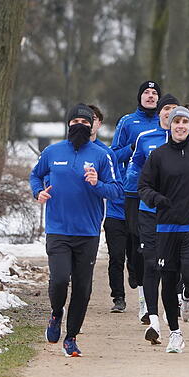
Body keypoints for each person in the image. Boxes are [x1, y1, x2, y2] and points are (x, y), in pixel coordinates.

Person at [30, 104, 123, 357]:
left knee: (83, 288)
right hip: (58, 229)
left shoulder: (102, 155)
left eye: (85, 121)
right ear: (68, 125)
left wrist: (97, 184)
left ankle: (71, 337)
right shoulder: (52, 151)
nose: (80, 125)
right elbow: (35, 176)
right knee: (60, 279)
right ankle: (56, 313)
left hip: (88, 232)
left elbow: (117, 190)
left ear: (92, 126)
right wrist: (38, 192)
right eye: (75, 121)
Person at [138, 106, 189, 353]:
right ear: (170, 125)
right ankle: (175, 333)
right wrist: (156, 199)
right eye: (177, 122)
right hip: (166, 226)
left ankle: (187, 297)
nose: (181, 126)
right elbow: (143, 186)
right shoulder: (158, 155)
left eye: (185, 122)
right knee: (168, 277)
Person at [127, 94, 189, 344]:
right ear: (161, 114)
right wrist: (144, 187)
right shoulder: (145, 138)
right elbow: (134, 167)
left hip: (182, 217)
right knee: (151, 265)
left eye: (175, 110)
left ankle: (186, 295)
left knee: (179, 269)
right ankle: (153, 321)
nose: (169, 113)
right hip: (151, 213)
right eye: (166, 109)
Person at [111, 81, 161, 322]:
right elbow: (113, 154)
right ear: (139, 97)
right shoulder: (128, 122)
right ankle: (134, 268)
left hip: (159, 194)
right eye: (146, 93)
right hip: (132, 190)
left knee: (147, 243)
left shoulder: (166, 125)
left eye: (154, 93)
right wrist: (133, 147)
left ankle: (144, 293)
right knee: (135, 238)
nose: (150, 97)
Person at [88, 105, 129, 313]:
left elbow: (115, 185)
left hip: (133, 208)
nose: (89, 123)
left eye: (93, 119)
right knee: (116, 256)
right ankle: (118, 297)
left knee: (137, 257)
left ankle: (136, 277)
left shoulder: (105, 153)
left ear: (99, 123)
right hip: (112, 212)